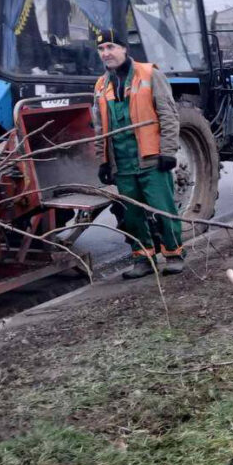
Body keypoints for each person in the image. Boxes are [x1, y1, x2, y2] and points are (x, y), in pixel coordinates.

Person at [91, 29, 185, 279]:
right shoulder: (101, 85)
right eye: (101, 49)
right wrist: (103, 161)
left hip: (150, 158)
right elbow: (100, 127)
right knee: (132, 215)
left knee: (162, 208)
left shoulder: (149, 74)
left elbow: (169, 115)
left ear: (124, 49)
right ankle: (143, 259)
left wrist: (168, 151)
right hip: (122, 164)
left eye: (111, 47)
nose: (106, 53)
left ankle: (174, 255)